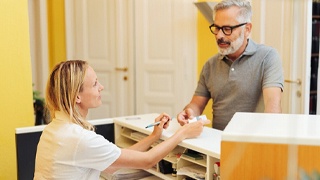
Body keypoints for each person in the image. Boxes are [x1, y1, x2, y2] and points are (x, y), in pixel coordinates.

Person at [34, 60, 209, 179]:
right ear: (77, 97)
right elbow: (148, 160)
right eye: (95, 84)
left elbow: (111, 165)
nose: (101, 87)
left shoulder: (54, 129)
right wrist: (181, 134)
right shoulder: (80, 139)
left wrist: (154, 137)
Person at [177, 0, 284, 131]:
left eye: (227, 29)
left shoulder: (268, 57)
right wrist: (189, 113)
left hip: (253, 143)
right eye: (217, 28)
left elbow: (273, 106)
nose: (219, 36)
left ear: (247, 29)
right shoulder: (210, 65)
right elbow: (196, 105)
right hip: (217, 144)